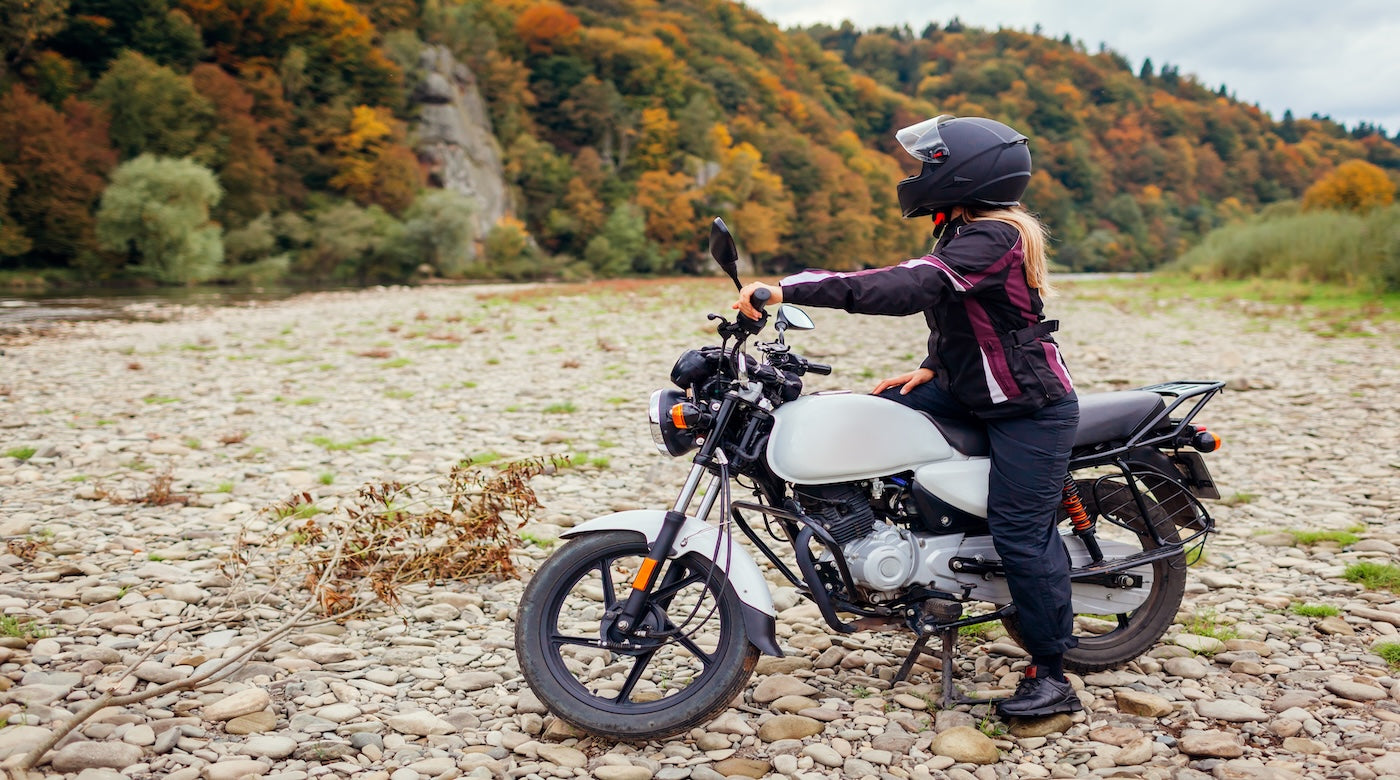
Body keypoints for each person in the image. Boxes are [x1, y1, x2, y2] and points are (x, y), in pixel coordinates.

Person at [733, 115, 1082, 718]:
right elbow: (963, 315)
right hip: (967, 389)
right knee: (863, 420)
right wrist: (931, 368)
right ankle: (897, 550)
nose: (918, 175)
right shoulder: (965, 234)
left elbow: (908, 288)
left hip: (1028, 407)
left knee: (1021, 535)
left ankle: (1051, 675)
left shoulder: (996, 236)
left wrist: (789, 288)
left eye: (929, 164)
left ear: (965, 172)